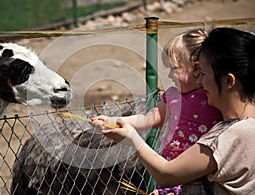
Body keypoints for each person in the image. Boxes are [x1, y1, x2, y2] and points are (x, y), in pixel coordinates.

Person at [91, 27, 255, 194]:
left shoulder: (232, 136)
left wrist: (132, 137)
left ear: (228, 81)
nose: (200, 80)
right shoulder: (243, 125)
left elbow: (166, 175)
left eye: (203, 73)